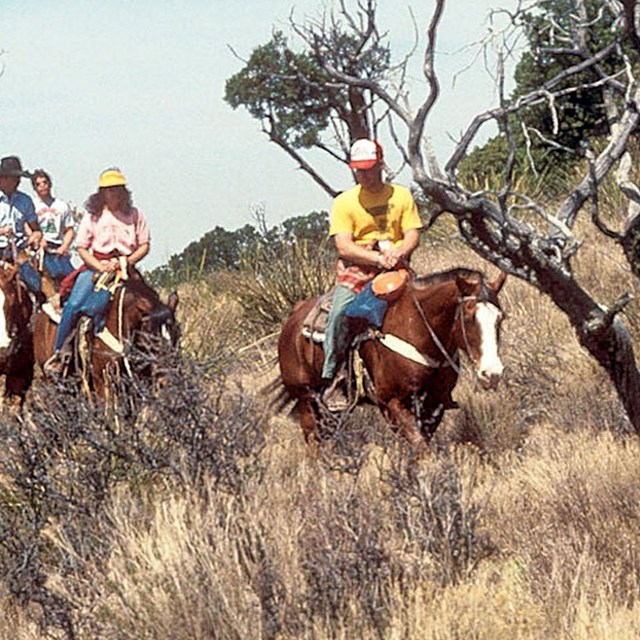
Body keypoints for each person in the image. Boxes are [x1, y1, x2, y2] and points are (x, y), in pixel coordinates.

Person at [321, 138, 422, 410]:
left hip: (397, 267)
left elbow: (413, 233)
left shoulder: (401, 196)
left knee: (430, 308)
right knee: (340, 313)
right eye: (358, 170)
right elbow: (343, 245)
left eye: (368, 168)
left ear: (380, 165)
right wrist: (377, 257)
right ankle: (336, 376)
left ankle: (441, 373)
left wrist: (398, 252)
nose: (363, 175)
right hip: (359, 269)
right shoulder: (344, 202)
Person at [43, 168, 150, 376]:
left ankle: (159, 358)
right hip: (97, 266)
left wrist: (126, 262)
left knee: (154, 307)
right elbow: (82, 248)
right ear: (102, 193)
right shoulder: (93, 217)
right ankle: (60, 353)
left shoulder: (135, 214)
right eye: (110, 190)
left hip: (126, 267)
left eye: (118, 189)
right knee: (74, 305)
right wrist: (100, 266)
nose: (115, 194)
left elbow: (144, 245)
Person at [0, 155, 44, 295]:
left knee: (36, 284)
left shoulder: (25, 200)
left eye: (18, 177)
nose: (18, 181)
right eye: (14, 177)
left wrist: (35, 236)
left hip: (17, 251)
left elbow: (36, 229)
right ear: (3, 178)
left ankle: (42, 306)